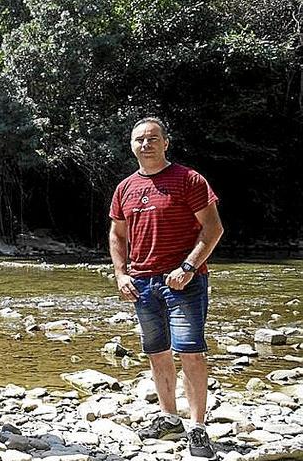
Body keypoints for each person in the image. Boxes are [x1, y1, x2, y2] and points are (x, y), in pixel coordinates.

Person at [109, 117, 224, 458]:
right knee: (156, 352)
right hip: (142, 284)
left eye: (152, 138)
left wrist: (188, 267)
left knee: (191, 352)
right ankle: (169, 417)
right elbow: (117, 234)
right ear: (132, 146)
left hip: (183, 282)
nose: (146, 144)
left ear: (165, 142)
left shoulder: (189, 179)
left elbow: (213, 229)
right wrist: (121, 273)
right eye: (139, 140)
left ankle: (199, 428)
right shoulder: (124, 188)